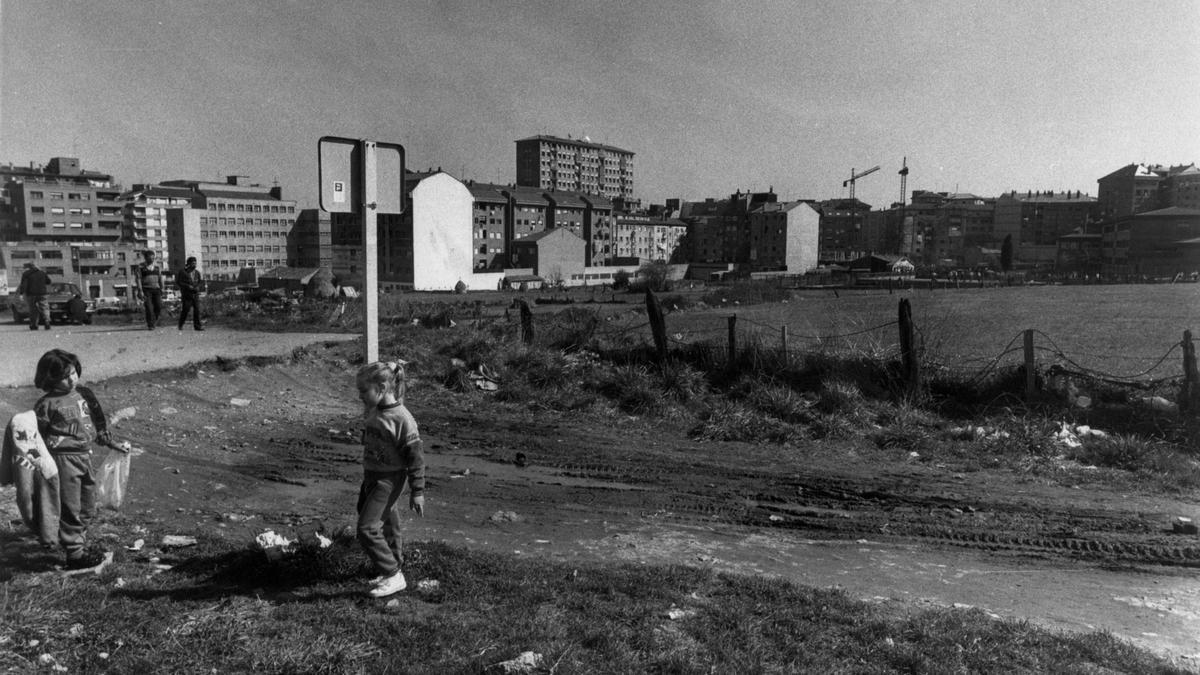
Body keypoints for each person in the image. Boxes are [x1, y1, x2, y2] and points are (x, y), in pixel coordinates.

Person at [34, 349, 124, 569]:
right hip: (63, 462)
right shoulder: (46, 405)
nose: (71, 379)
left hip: (84, 457)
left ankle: (79, 545)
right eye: (65, 376)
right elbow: (36, 437)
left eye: (74, 373)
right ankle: (74, 555)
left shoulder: (82, 394)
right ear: (49, 378)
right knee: (71, 506)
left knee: (87, 504)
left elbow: (93, 425)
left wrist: (110, 442)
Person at [354, 360, 425, 598]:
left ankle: (393, 575)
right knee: (385, 520)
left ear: (382, 387)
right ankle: (393, 564)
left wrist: (418, 491)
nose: (360, 396)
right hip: (372, 476)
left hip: (389, 479)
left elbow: (415, 457)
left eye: (364, 391)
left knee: (367, 528)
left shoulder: (403, 419)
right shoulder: (375, 410)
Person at [17, 261, 52, 331]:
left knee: (33, 309)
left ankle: (34, 325)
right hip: (42, 293)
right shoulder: (42, 272)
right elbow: (49, 281)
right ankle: (47, 321)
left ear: (29, 267)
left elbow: (23, 285)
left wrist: (21, 293)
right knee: (45, 307)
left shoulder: (26, 274)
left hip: (31, 294)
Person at [134, 250, 164, 330]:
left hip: (156, 289)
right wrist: (140, 291)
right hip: (146, 290)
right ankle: (151, 325)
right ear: (146, 258)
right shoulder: (140, 267)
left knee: (159, 306)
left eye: (153, 258)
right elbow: (138, 279)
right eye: (150, 258)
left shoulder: (157, 267)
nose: (152, 260)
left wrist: (162, 288)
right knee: (149, 308)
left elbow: (160, 278)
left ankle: (154, 321)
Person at [175, 256, 205, 331]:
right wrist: (187, 286)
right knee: (185, 310)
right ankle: (180, 324)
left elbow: (200, 282)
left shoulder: (197, 273)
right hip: (187, 295)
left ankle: (197, 326)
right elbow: (179, 282)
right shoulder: (182, 272)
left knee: (197, 310)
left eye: (195, 263)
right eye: (192, 263)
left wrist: (198, 287)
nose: (194, 265)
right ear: (188, 264)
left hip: (195, 294)